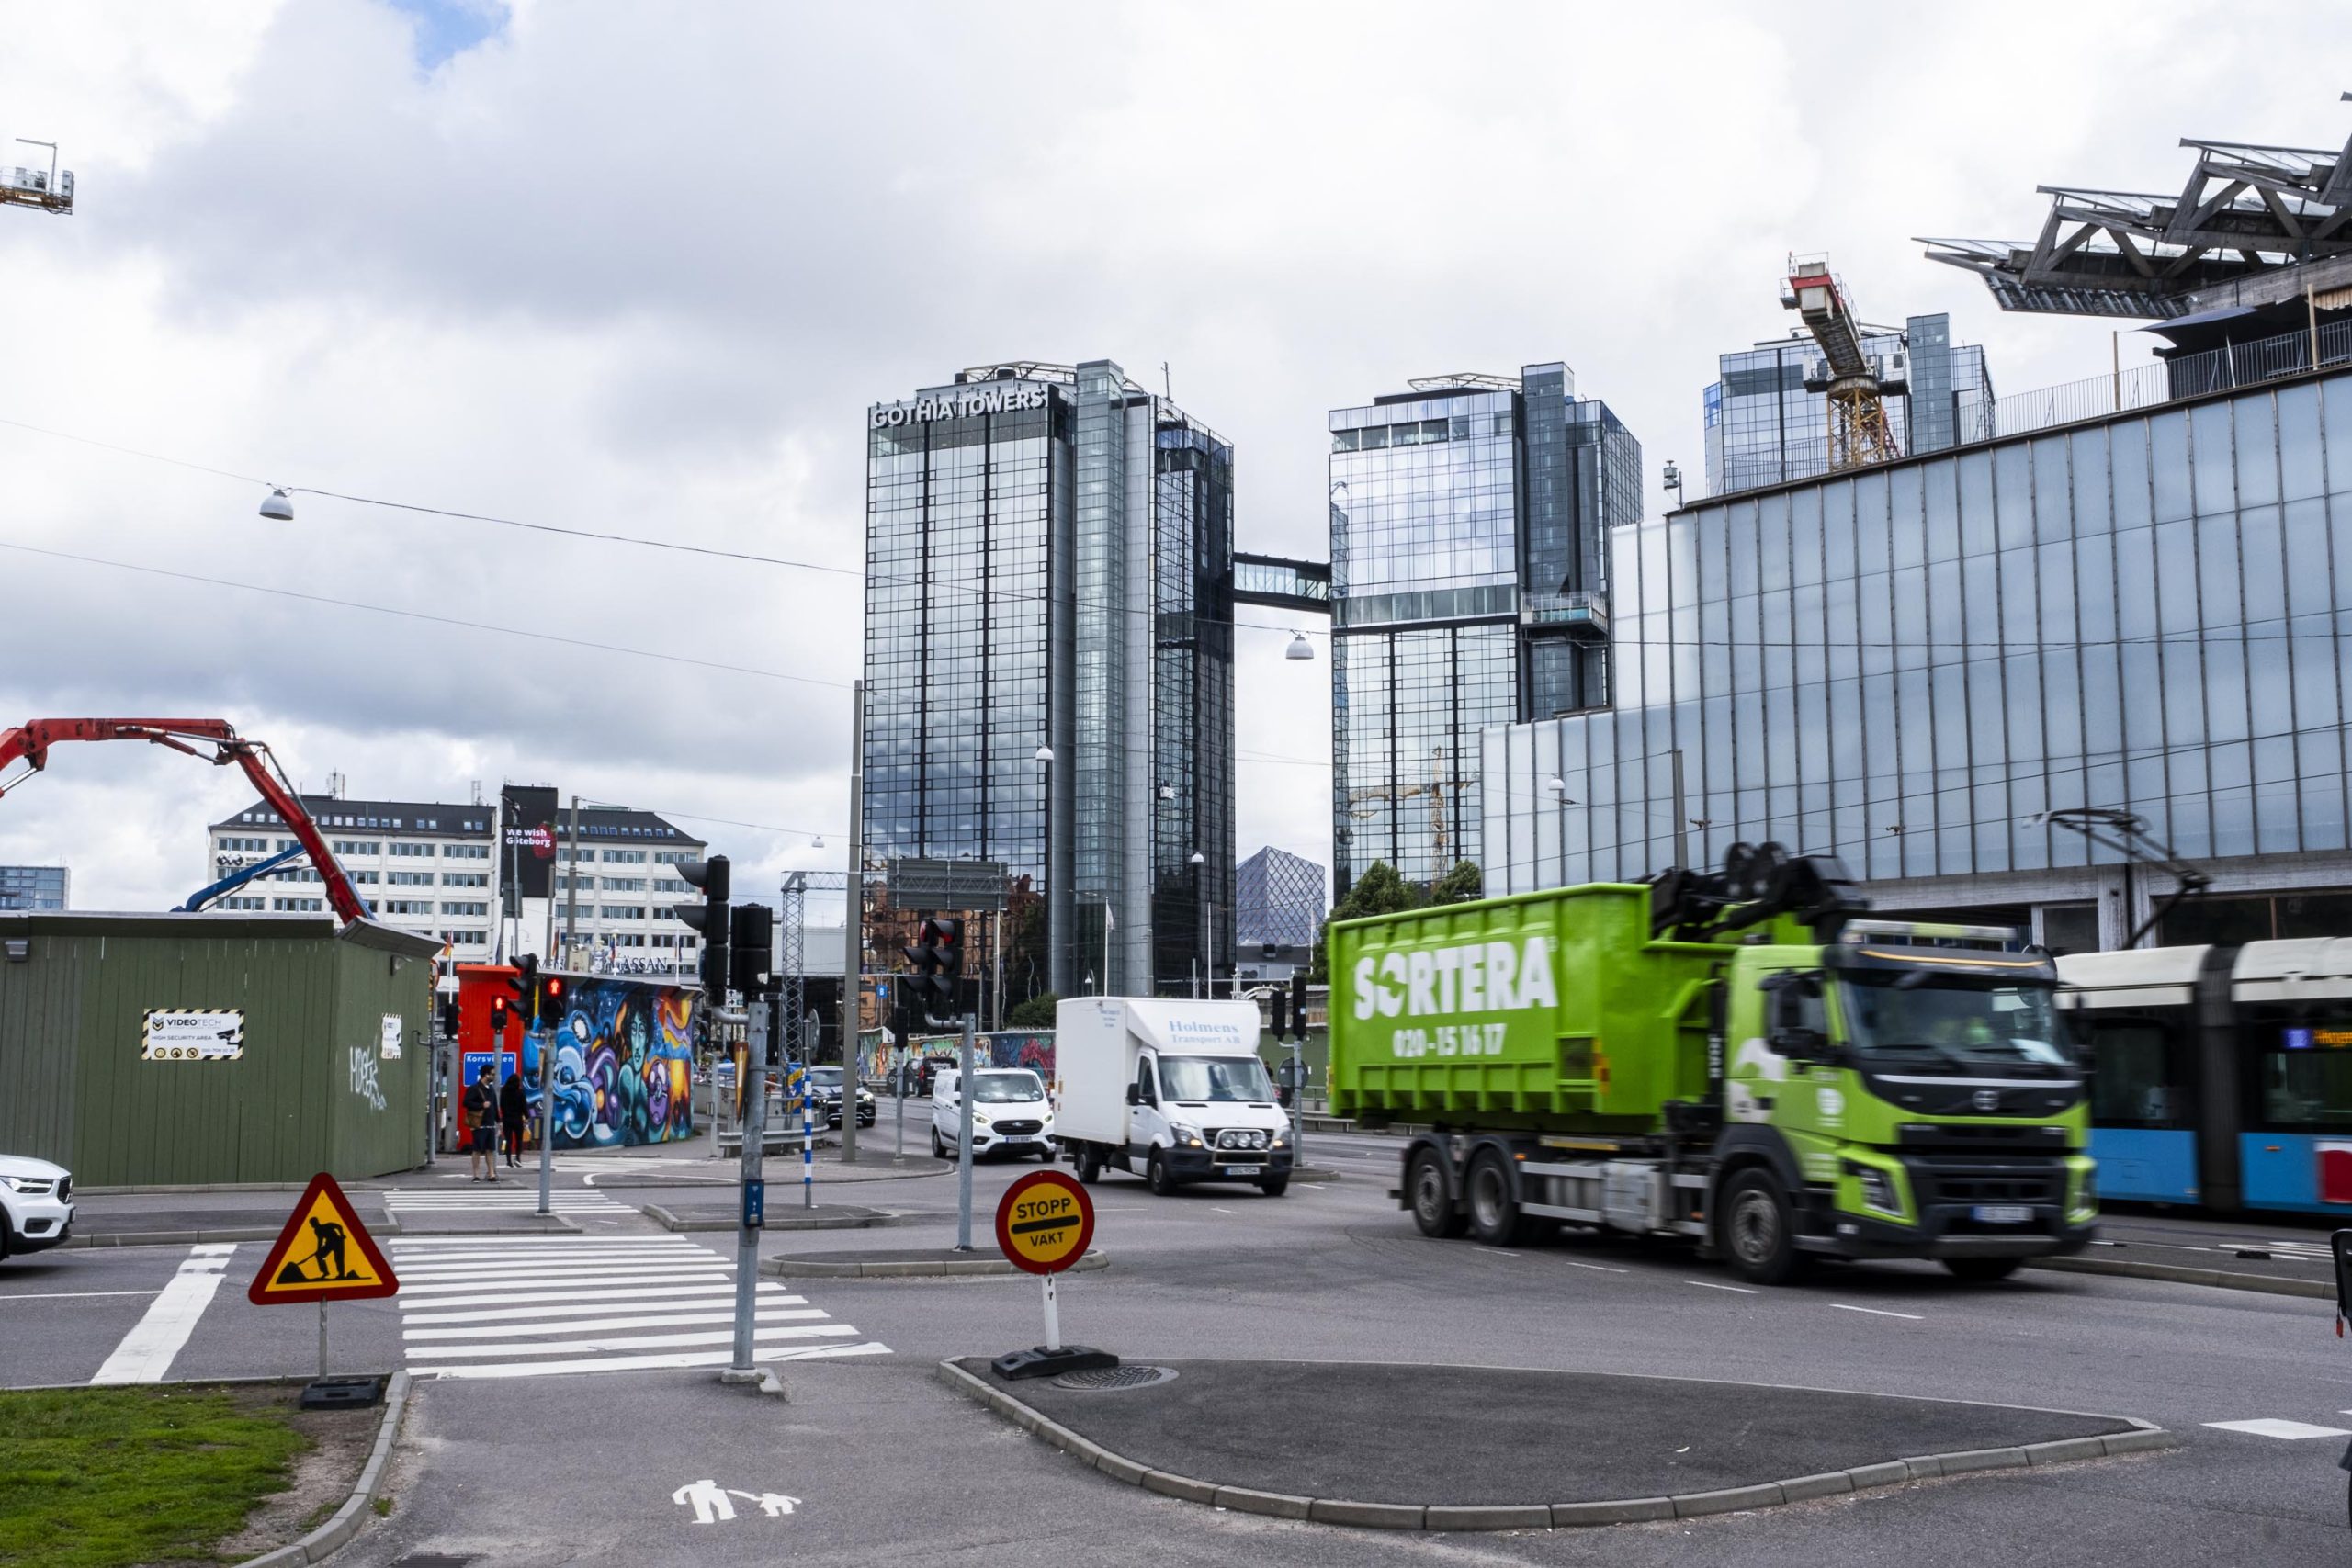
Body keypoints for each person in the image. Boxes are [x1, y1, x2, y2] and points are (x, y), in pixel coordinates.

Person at [463, 1066, 499, 1182]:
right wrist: (481, 1105)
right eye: (492, 1074)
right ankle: (476, 1175)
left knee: (490, 1149)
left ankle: (491, 1173)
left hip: (490, 1123)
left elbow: (495, 1106)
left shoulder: (491, 1089)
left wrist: (499, 1121)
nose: (494, 1076)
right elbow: (466, 1102)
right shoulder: (474, 1088)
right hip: (479, 1124)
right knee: (477, 1149)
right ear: (486, 1075)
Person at [500, 1069, 528, 1168]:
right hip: (517, 1119)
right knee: (519, 1139)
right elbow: (524, 1106)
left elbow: (501, 1104)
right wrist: (527, 1116)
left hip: (507, 1118)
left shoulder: (503, 1091)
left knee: (509, 1140)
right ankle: (518, 1158)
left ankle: (508, 1161)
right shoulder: (520, 1092)